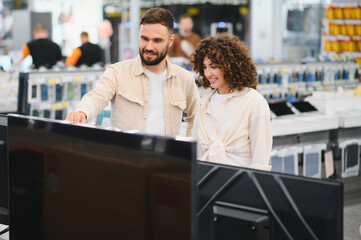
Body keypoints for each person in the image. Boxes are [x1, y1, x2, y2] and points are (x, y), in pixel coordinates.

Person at [65, 8, 200, 137]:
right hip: (126, 158)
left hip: (167, 160)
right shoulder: (117, 72)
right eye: (144, 39)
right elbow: (97, 96)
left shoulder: (184, 79)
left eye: (157, 40)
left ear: (170, 41)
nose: (149, 47)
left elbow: (196, 117)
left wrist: (187, 150)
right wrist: (82, 112)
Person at [190, 33, 272, 170]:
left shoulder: (254, 102)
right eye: (204, 67)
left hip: (241, 183)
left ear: (230, 66)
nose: (208, 73)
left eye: (214, 66)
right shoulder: (204, 103)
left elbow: (261, 161)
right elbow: (197, 153)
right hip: (207, 181)